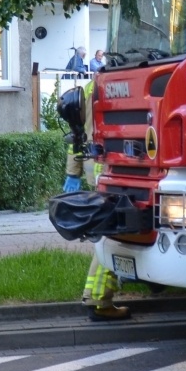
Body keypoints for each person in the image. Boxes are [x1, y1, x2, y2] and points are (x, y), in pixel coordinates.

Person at [57, 80, 129, 322]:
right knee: (113, 231)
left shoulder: (93, 85)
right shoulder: (121, 81)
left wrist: (73, 171)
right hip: (115, 163)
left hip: (94, 163)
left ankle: (99, 295)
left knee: (111, 229)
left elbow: (79, 132)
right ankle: (98, 298)